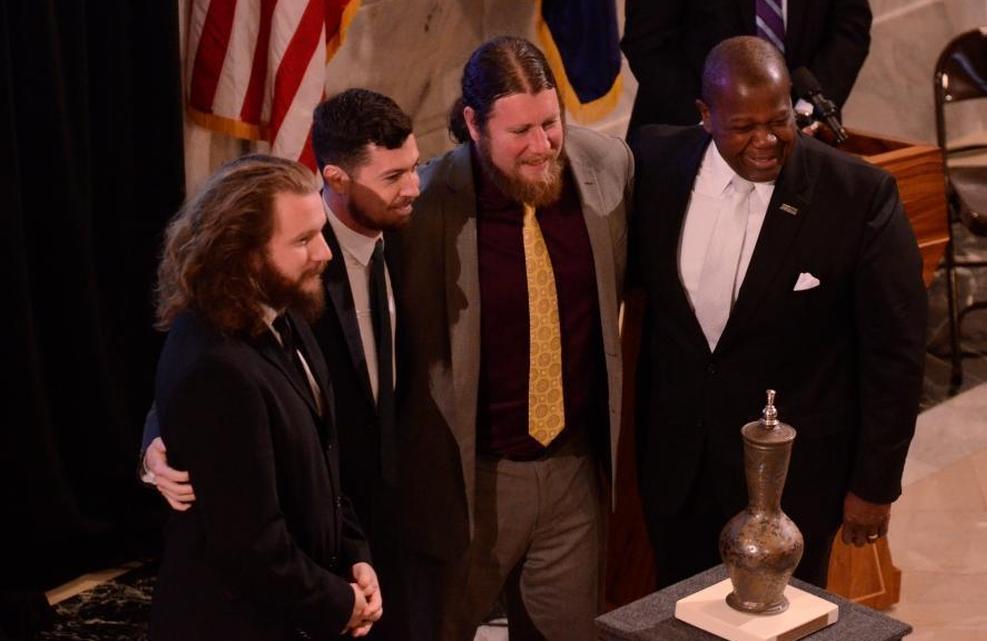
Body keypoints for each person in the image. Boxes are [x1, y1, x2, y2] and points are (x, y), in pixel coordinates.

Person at [627, 36, 926, 590]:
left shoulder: (858, 196)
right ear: (705, 116)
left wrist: (875, 485)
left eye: (779, 119)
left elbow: (897, 353)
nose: (766, 140)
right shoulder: (654, 163)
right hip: (678, 472)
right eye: (743, 126)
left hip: (795, 486)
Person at [142, 89, 421, 640]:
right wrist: (339, 602)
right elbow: (248, 545)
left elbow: (322, 455)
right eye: (304, 240)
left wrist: (354, 556)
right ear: (244, 254)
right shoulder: (219, 361)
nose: (323, 252)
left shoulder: (284, 310)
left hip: (347, 562)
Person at [392, 36, 631, 641]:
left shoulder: (607, 169)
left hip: (573, 475)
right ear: (473, 123)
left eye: (551, 123)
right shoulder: (422, 207)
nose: (543, 145)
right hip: (467, 483)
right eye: (520, 131)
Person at [621, 0, 871, 135]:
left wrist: (806, 113)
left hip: (804, 144)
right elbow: (649, 44)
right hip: (687, 145)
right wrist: (714, 123)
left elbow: (849, 27)